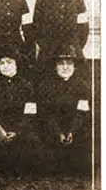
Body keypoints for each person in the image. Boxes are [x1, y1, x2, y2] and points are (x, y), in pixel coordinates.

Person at [0, 45, 41, 176]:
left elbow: (30, 113)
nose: (5, 66)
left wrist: (17, 131)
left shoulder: (26, 86)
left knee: (31, 145)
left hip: (18, 128)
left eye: (9, 62)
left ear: (16, 65)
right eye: (1, 63)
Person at [37, 45, 92, 175]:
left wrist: (71, 132)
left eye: (69, 64)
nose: (65, 67)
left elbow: (82, 112)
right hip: (52, 128)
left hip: (74, 128)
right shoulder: (45, 86)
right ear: (55, 67)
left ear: (74, 67)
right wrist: (58, 133)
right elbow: (46, 113)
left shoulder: (82, 86)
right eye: (61, 64)